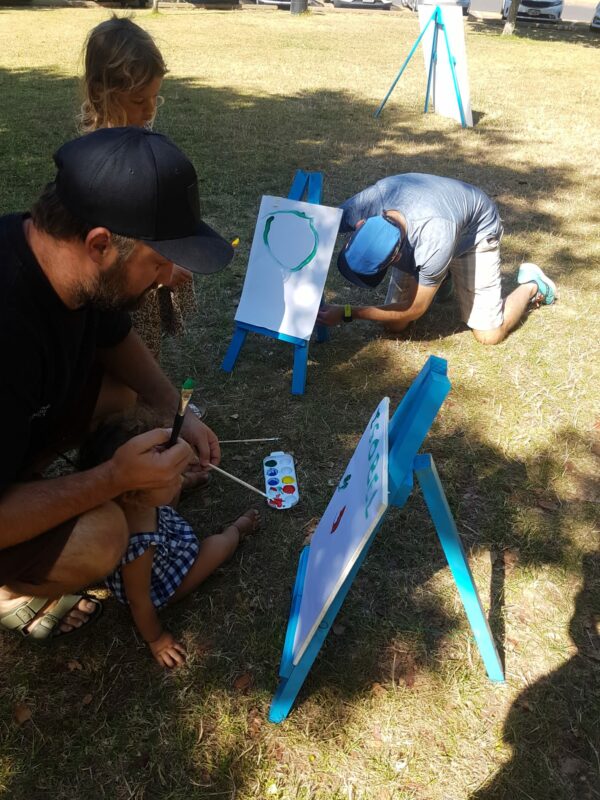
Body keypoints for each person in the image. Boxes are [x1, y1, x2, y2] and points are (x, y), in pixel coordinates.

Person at [0, 126, 234, 642]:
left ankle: (34, 481)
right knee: (103, 537)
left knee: (128, 394)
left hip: (24, 424)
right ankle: (8, 592)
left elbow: (115, 339)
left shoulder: (71, 269)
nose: (169, 275)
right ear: (101, 244)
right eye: (158, 260)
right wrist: (112, 480)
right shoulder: (9, 326)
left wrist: (179, 410)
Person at [78, 409, 260, 669]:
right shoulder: (138, 547)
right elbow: (139, 601)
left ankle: (188, 484)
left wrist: (176, 478)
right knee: (217, 547)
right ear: (134, 494)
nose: (176, 473)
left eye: (177, 472)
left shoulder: (138, 500)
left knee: (168, 494)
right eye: (171, 475)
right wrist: (157, 640)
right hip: (165, 581)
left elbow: (158, 494)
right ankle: (238, 531)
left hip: (164, 525)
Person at [317, 173, 557, 345]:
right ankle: (441, 277)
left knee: (489, 335)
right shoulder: (375, 198)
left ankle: (532, 285)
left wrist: (349, 312)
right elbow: (321, 224)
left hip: (474, 234)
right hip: (435, 221)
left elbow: (413, 309)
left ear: (397, 257)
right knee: (394, 326)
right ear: (360, 223)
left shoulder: (433, 240)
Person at [80, 16, 196, 361]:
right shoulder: (95, 163)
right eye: (137, 101)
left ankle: (146, 402)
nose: (148, 111)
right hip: (121, 290)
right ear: (100, 93)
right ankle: (134, 407)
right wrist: (163, 270)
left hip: (147, 282)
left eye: (155, 99)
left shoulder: (140, 145)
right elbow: (115, 245)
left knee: (147, 349)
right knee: (125, 354)